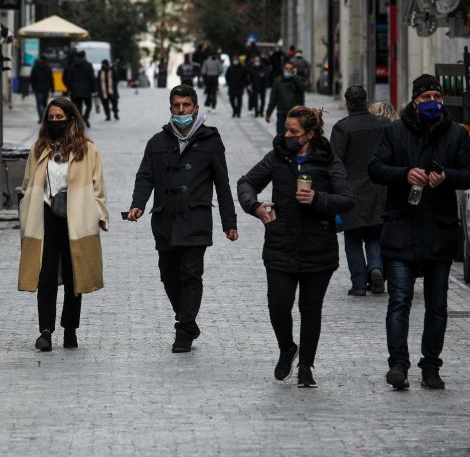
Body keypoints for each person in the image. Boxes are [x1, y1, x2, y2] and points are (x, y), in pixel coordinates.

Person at [368, 74, 470, 391]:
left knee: (437, 305)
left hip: (439, 231)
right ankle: (398, 365)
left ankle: (431, 366)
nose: (432, 102)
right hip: (402, 226)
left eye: (436, 96)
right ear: (414, 100)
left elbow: (469, 174)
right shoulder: (394, 132)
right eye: (426, 97)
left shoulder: (456, 134)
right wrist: (405, 174)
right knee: (399, 300)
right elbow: (375, 168)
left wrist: (446, 177)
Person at [237, 106, 353, 388]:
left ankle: (306, 367)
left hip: (319, 246)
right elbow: (246, 183)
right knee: (278, 305)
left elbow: (347, 200)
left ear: (310, 134)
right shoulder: (278, 157)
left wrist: (316, 199)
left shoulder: (328, 161)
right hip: (281, 243)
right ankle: (287, 347)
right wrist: (255, 206)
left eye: (293, 132)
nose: (286, 135)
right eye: (285, 130)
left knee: (310, 308)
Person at [127, 85, 239, 353]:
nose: (181, 111)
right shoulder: (157, 142)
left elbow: (222, 184)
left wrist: (229, 222)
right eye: (176, 106)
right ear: (170, 109)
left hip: (195, 219)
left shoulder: (211, 142)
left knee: (190, 273)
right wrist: (137, 205)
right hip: (165, 219)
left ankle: (184, 328)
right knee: (168, 275)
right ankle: (188, 321)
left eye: (186, 106)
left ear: (196, 108)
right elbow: (145, 176)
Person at [18, 98, 108, 351]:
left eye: (60, 117)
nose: (56, 122)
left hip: (76, 218)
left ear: (71, 118)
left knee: (74, 276)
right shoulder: (39, 149)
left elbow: (98, 185)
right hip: (45, 217)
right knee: (45, 274)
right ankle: (45, 330)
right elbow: (27, 183)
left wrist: (99, 214)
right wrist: (25, 208)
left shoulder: (87, 150)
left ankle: (70, 329)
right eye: (52, 118)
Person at [331, 86, 389, 296]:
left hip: (352, 191)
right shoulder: (381, 124)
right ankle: (375, 268)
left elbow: (334, 162)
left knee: (353, 238)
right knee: (375, 234)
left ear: (347, 103)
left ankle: (358, 283)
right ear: (366, 101)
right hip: (380, 189)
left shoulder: (342, 128)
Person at [265, 61, 306, 137]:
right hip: (281, 113)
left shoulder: (297, 80)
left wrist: (295, 77)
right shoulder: (277, 81)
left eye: (291, 69)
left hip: (295, 115)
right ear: (283, 69)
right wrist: (268, 113)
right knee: (280, 136)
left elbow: (303, 88)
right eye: (287, 69)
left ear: (293, 70)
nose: (288, 71)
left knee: (294, 137)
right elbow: (272, 99)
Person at [63, 51, 97, 127]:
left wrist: (69, 88)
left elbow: (68, 79)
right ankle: (85, 117)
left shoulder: (72, 66)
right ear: (84, 56)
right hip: (87, 90)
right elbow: (92, 78)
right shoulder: (89, 65)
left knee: (78, 106)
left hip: (75, 90)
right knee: (89, 105)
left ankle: (80, 119)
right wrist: (94, 89)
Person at [29, 55, 53, 123]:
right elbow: (51, 79)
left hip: (37, 88)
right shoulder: (48, 67)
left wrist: (33, 87)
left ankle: (40, 118)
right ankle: (44, 117)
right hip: (45, 88)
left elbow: (31, 78)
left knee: (39, 104)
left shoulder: (35, 67)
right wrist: (52, 89)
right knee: (44, 104)